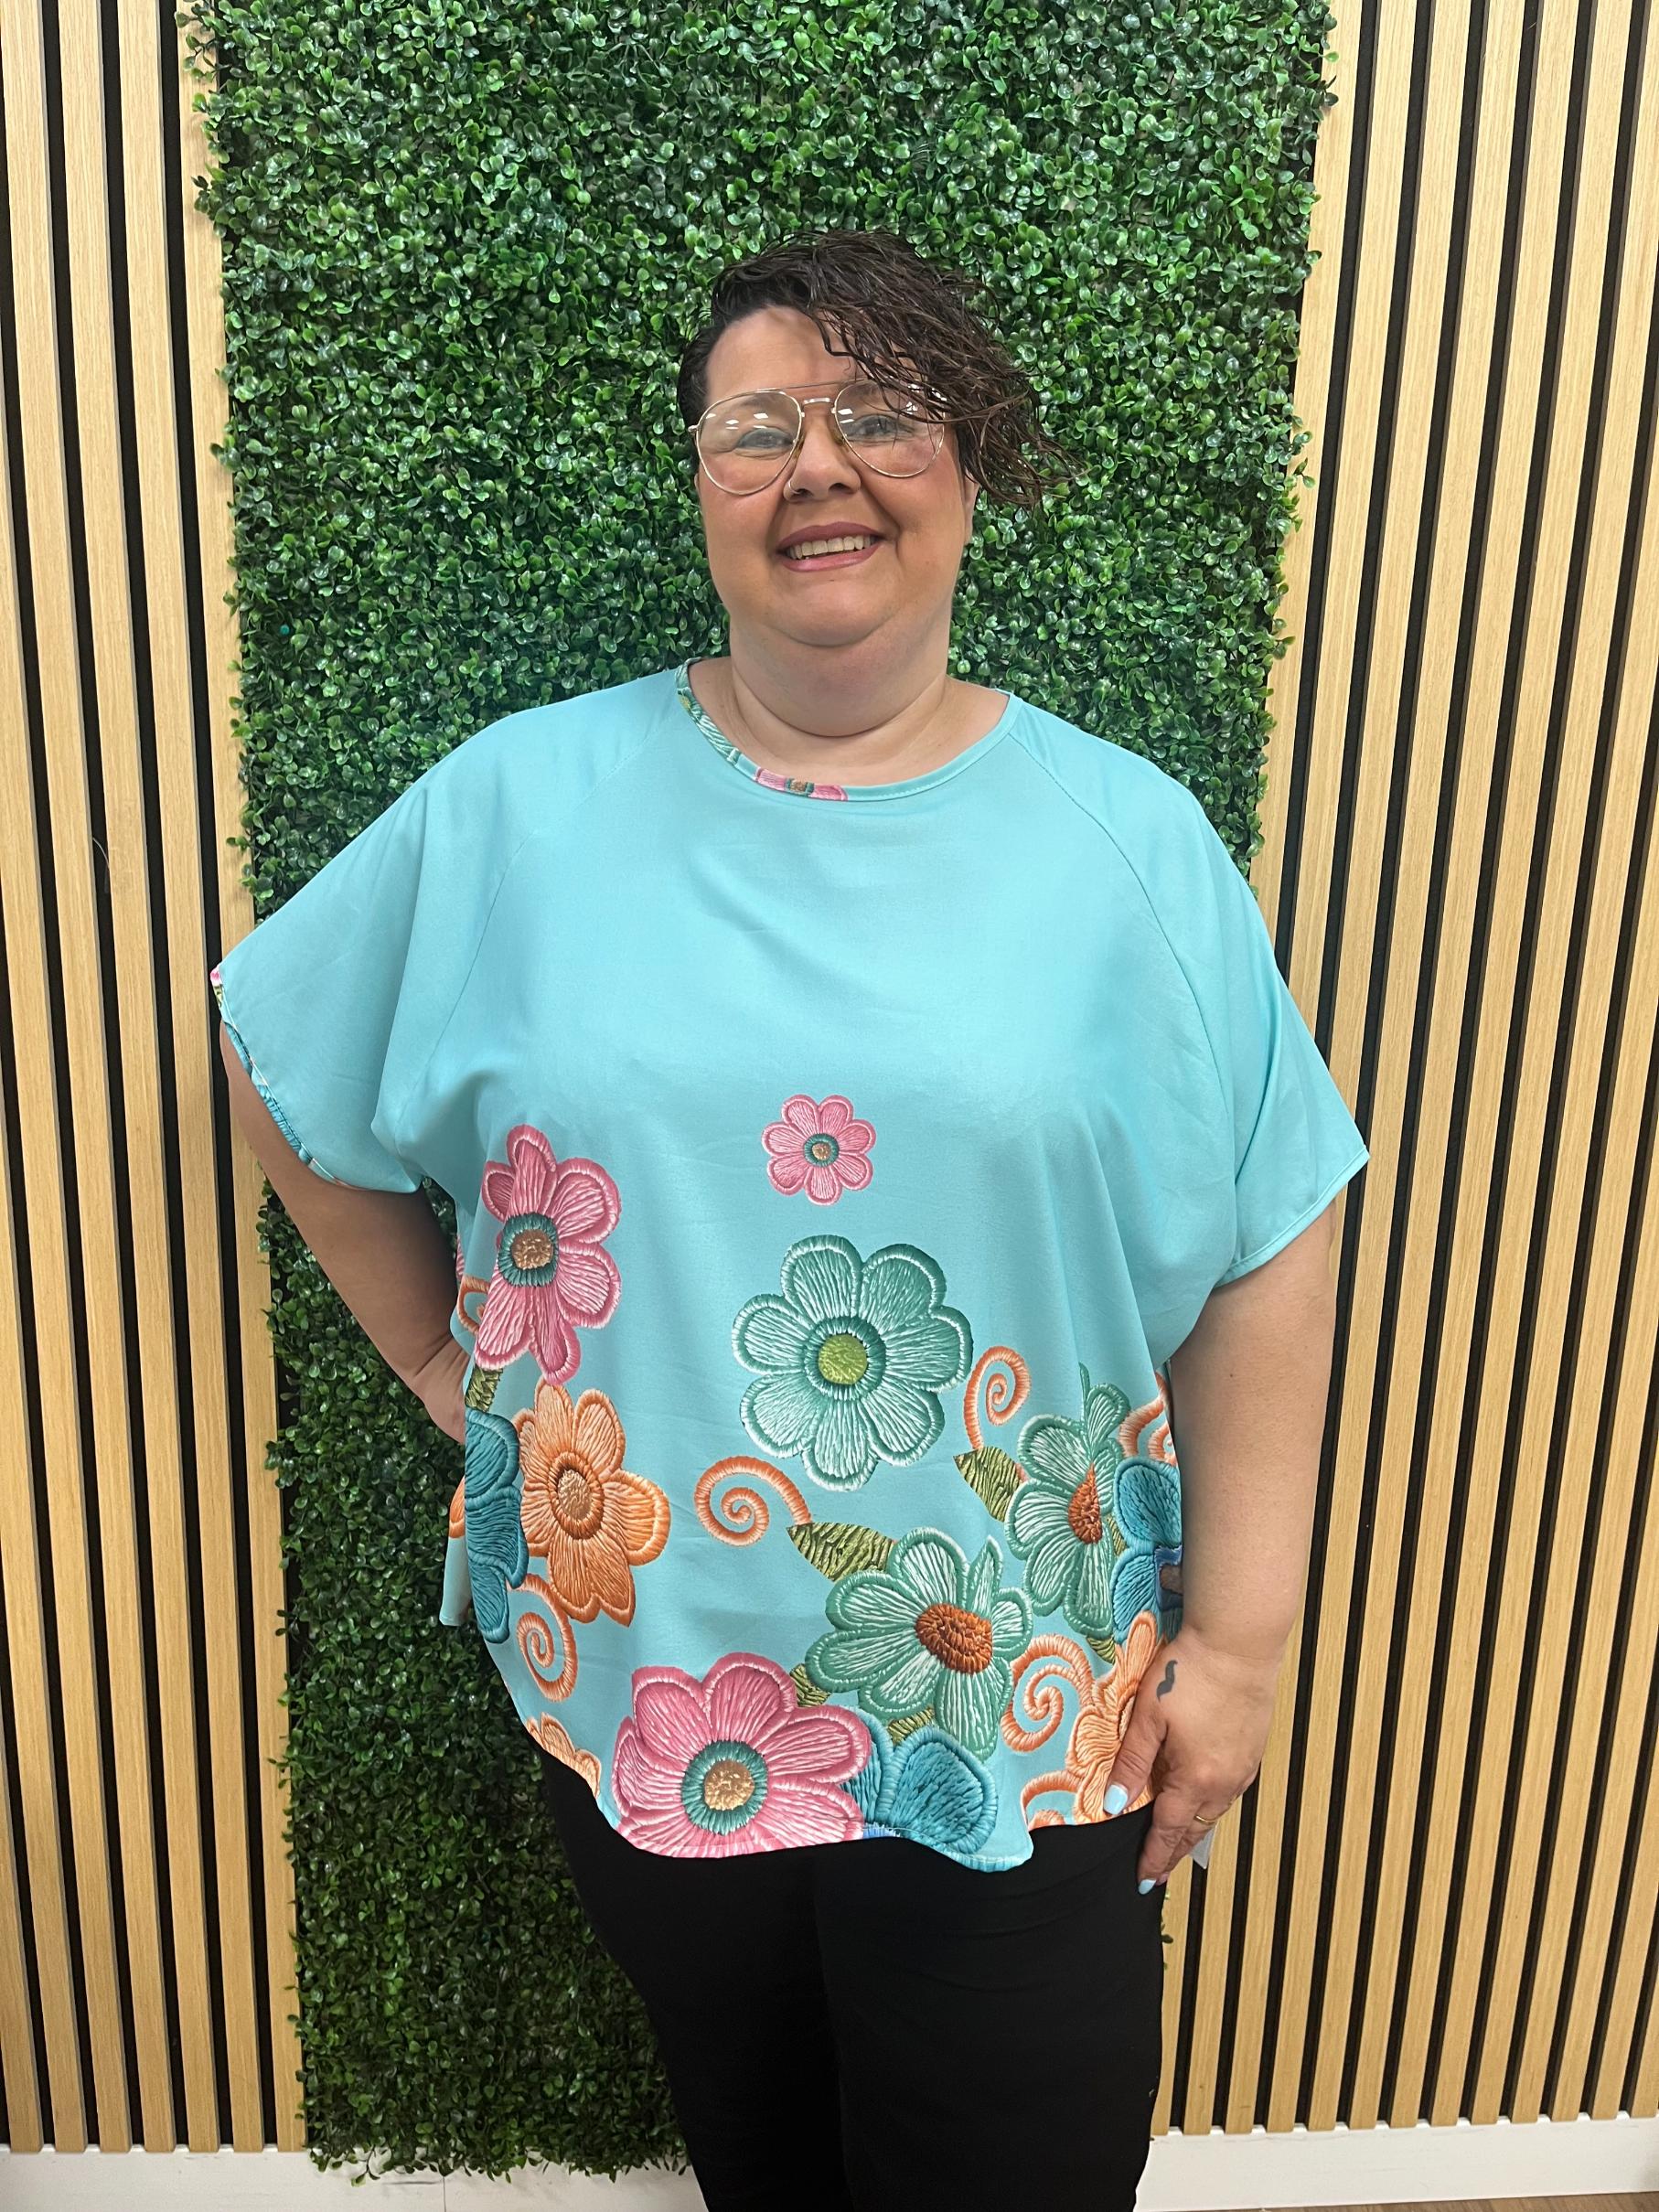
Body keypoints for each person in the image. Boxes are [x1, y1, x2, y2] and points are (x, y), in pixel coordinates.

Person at [211, 224, 1368, 2211]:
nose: (817, 465)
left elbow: (1273, 1217)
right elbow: (277, 1044)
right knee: (765, 2163)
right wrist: (444, 1363)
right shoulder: (518, 806)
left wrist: (1244, 1646)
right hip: (648, 1678)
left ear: (969, 466)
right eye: (757, 427)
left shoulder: (1127, 843)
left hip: (1019, 1695)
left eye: (881, 415)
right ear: (702, 482)